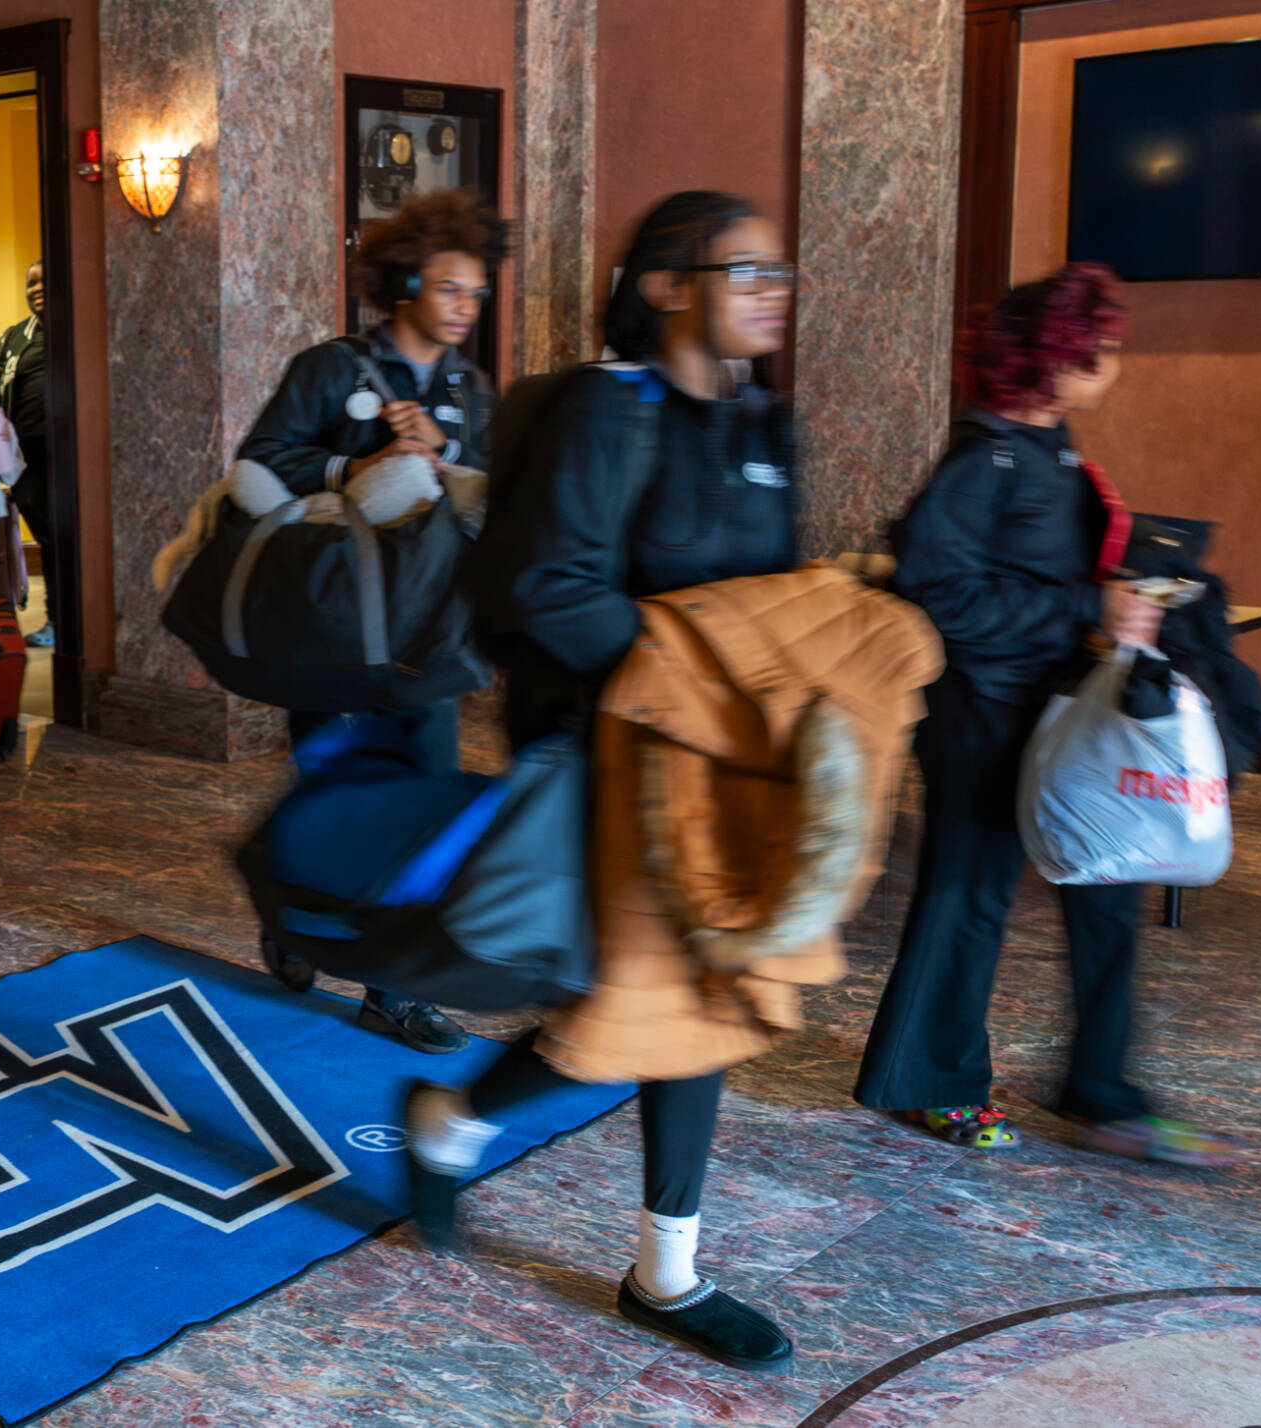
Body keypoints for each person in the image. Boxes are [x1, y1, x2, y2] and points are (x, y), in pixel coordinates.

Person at [411, 191, 802, 1371]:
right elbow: (545, 594)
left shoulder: (761, 427)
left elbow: (768, 598)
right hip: (611, 760)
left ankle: (452, 1121)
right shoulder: (602, 410)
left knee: (667, 1005)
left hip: (722, 769)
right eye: (746, 271)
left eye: (778, 275)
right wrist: (689, 675)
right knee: (682, 1006)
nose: (767, 295)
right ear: (667, 285)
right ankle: (664, 1272)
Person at [852, 263, 1249, 1166]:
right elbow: (934, 588)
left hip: (1055, 707)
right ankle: (930, 1086)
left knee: (1108, 882)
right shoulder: (984, 455)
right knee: (967, 896)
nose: (1114, 362)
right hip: (980, 714)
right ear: (1055, 355)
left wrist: (1124, 594)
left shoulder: (1049, 444)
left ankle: (1102, 1089)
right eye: (1100, 348)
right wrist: (1086, 610)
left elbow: (1045, 574)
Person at [233, 188, 508, 1055]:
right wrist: (364, 459)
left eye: (476, 292)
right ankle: (292, 913)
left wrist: (446, 450)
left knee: (420, 798)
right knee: (333, 783)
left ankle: (394, 991)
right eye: (451, 288)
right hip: (334, 626)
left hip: (430, 636)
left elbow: (490, 489)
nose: (466, 307)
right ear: (405, 286)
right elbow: (259, 465)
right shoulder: (330, 368)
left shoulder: (469, 387)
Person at [0, 261, 54, 648]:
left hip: (77, 461)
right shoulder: (12, 340)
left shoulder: (84, 327)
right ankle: (58, 620)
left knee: (73, 541)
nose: (36, 288)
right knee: (49, 540)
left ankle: (79, 620)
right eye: (30, 282)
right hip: (28, 464)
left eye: (44, 280)